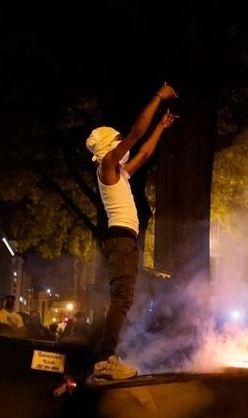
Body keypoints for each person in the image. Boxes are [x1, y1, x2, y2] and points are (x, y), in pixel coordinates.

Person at [85, 82, 178, 380]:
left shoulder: (120, 174)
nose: (123, 142)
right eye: (118, 140)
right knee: (122, 298)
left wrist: (161, 126)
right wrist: (157, 97)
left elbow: (146, 151)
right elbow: (137, 134)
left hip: (124, 241)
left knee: (122, 298)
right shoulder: (107, 167)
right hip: (121, 241)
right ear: (108, 149)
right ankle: (105, 359)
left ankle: (105, 355)